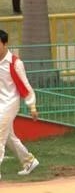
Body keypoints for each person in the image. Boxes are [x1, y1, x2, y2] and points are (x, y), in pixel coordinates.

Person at [0, 30, 40, 180]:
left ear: (5, 44)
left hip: (10, 103)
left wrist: (32, 106)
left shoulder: (15, 63)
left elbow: (25, 85)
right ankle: (29, 161)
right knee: (9, 137)